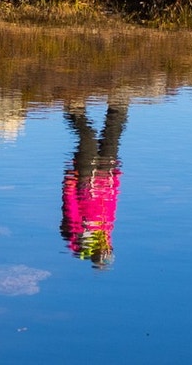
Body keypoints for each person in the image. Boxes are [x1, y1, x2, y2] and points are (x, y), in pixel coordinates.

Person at [59, 102, 127, 268]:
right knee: (113, 136)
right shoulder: (106, 233)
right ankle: (118, 103)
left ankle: (74, 109)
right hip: (107, 177)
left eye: (104, 252)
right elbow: (112, 206)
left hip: (86, 180)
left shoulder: (79, 235)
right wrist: (116, 179)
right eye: (108, 250)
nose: (106, 248)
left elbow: (70, 209)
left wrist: (69, 186)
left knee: (87, 138)